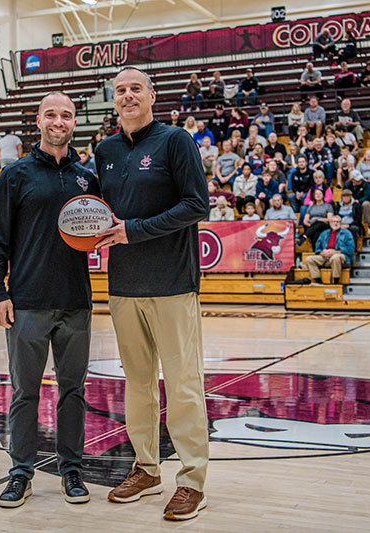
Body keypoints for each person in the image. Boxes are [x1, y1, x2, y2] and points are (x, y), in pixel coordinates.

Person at [93, 67, 209, 521]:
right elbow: (97, 214)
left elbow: (197, 204)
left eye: (135, 88)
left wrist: (133, 231)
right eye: (119, 90)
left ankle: (192, 480)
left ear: (152, 96)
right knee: (137, 385)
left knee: (182, 386)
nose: (127, 95)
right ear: (113, 100)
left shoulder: (175, 141)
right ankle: (146, 468)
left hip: (172, 284)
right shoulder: (103, 150)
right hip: (122, 287)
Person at [0, 91, 99, 509]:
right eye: (51, 114)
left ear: (74, 123)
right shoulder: (14, 175)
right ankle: (20, 474)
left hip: (75, 303)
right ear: (38, 120)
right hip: (27, 303)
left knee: (73, 391)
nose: (59, 121)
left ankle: (72, 470)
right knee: (24, 393)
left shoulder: (88, 179)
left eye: (66, 115)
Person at [304, 215, 355, 284]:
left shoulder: (347, 233)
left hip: (341, 255)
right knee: (309, 259)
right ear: (330, 223)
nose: (335, 223)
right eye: (333, 222)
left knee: (335, 257)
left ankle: (336, 281)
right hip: (326, 256)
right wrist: (321, 253)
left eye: (338, 222)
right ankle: (318, 281)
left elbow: (351, 249)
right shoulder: (324, 233)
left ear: (341, 223)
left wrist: (337, 252)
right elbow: (317, 247)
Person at [299, 181, 334, 247]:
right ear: (314, 196)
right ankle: (316, 252)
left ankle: (304, 237)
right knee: (316, 233)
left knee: (319, 223)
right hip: (312, 226)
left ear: (323, 195)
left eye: (320, 194)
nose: (318, 195)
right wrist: (310, 224)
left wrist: (317, 221)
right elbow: (305, 220)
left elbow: (329, 219)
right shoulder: (311, 206)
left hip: (324, 225)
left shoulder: (328, 206)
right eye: (316, 194)